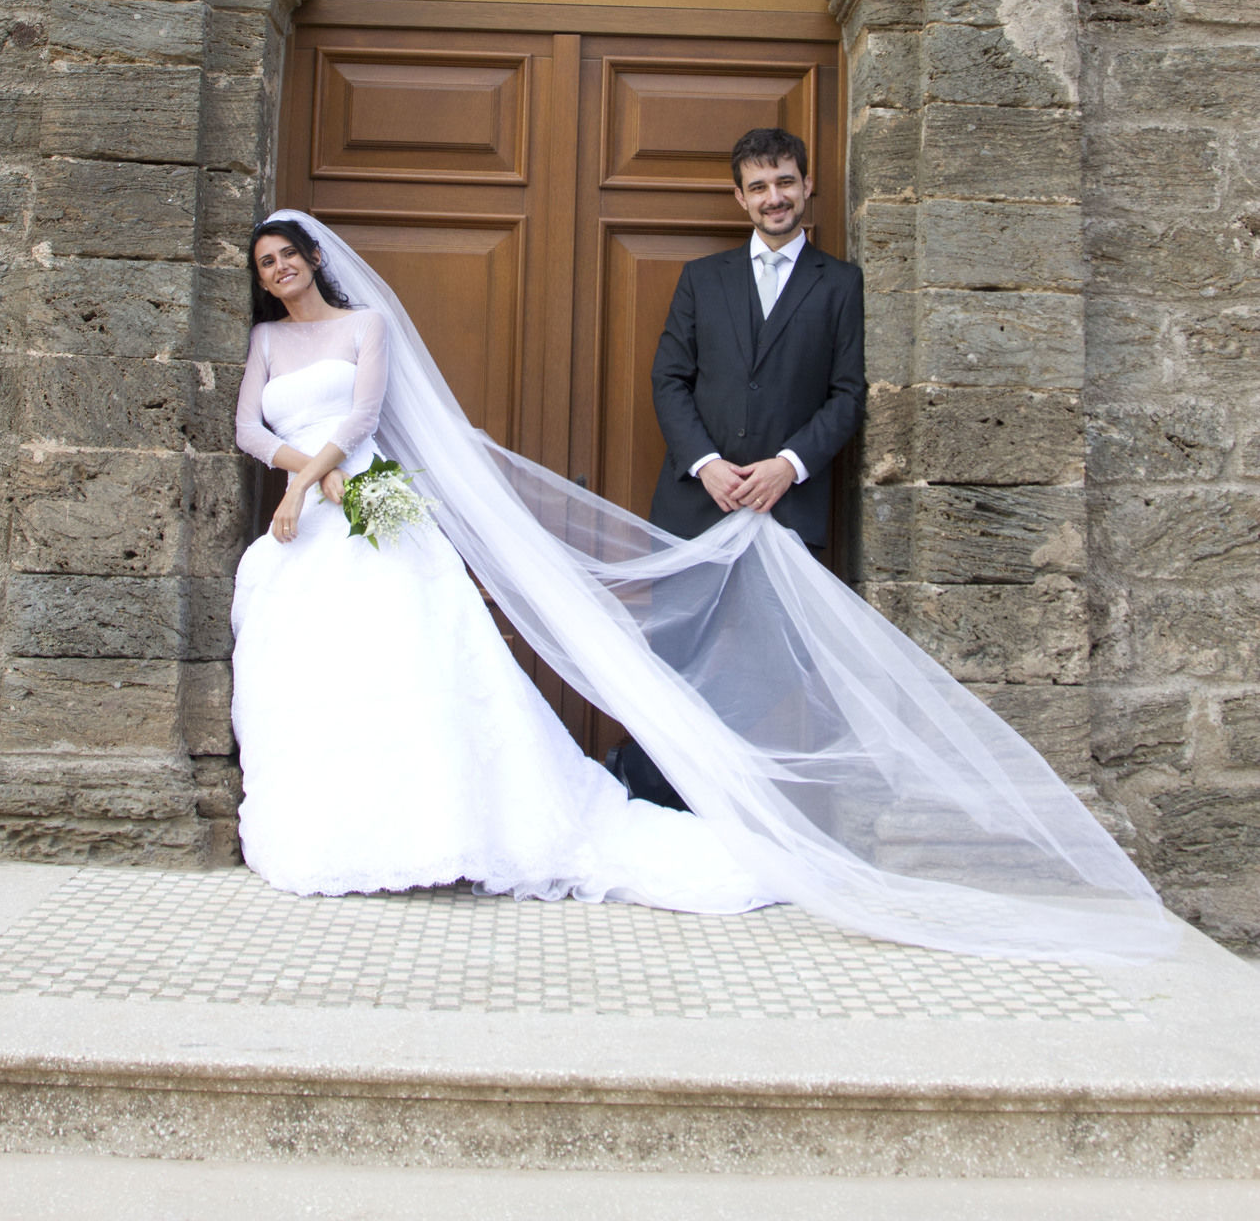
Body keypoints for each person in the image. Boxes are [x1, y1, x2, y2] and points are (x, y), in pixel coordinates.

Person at [230, 208, 1175, 963]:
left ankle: (448, 825)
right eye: (265, 264)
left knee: (411, 661)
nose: (279, 271)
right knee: (322, 671)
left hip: (368, 500)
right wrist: (298, 480)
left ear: (314, 260)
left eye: (288, 258)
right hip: (307, 517)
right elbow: (246, 428)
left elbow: (363, 417)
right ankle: (337, 824)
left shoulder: (366, 325)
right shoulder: (267, 342)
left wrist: (311, 482)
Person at [650, 127, 864, 562]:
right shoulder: (701, 278)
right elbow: (669, 379)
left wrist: (790, 465)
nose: (774, 198)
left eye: (785, 182)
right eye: (758, 187)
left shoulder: (842, 284)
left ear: (806, 184)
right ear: (741, 197)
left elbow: (848, 393)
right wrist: (705, 463)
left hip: (789, 509)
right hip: (696, 505)